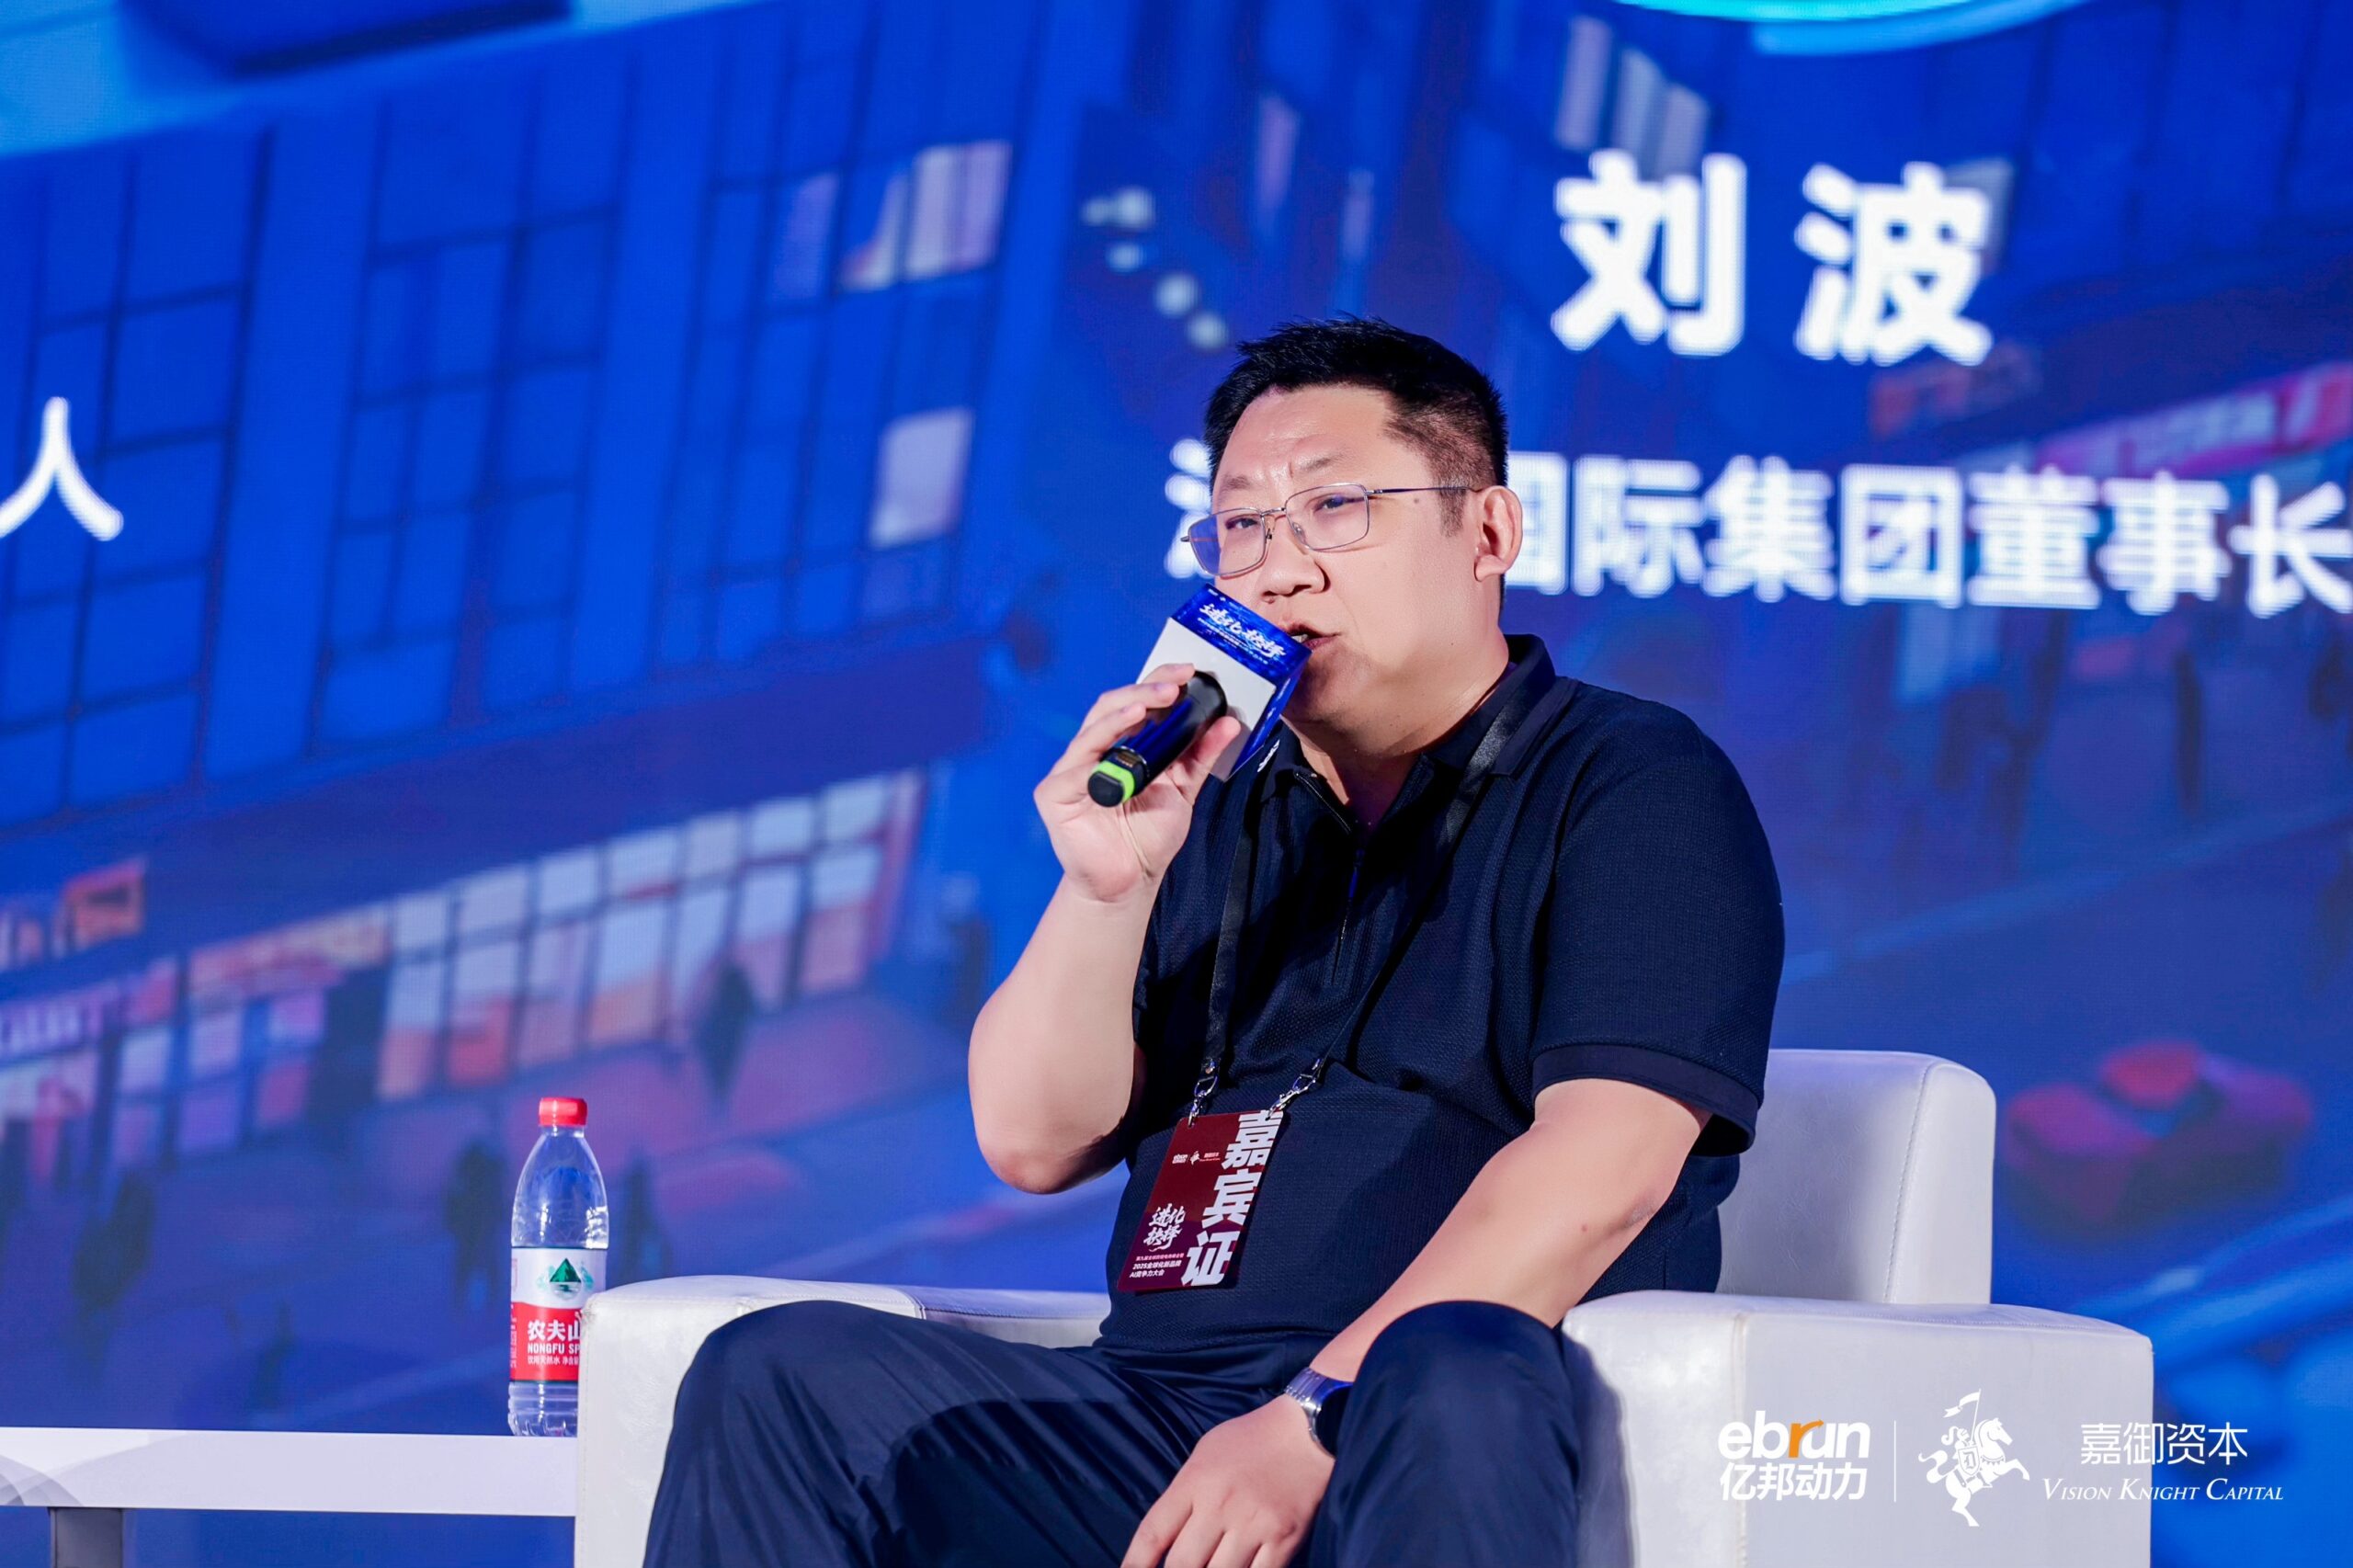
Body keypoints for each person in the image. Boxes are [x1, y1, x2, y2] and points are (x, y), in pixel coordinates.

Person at [642, 318, 1784, 1568]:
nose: (1280, 570)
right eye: (1242, 527)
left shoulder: (1631, 781)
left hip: (1436, 1422)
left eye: (1336, 508)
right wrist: (1105, 886)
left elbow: (1609, 1162)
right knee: (780, 1374)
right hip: (1165, 1419)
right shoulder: (1213, 801)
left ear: (1489, 532)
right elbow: (1031, 1140)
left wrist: (1314, 1411)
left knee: (1449, 1364)